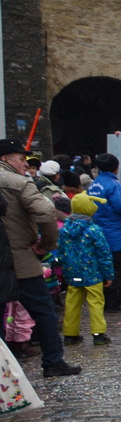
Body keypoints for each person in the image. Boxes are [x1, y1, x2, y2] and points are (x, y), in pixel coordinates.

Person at [0, 138, 78, 377]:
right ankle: (53, 361)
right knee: (43, 311)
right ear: (5, 159)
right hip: (19, 259)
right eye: (21, 159)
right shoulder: (18, 182)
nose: (25, 164)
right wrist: (46, 245)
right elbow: (45, 212)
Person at [56, 193, 114, 346]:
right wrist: (108, 274)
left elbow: (60, 251)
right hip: (92, 274)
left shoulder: (64, 229)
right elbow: (103, 253)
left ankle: (70, 333)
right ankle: (98, 333)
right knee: (95, 302)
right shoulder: (94, 229)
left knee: (72, 303)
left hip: (72, 273)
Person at [83, 155, 121, 313]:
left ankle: (102, 298)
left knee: (102, 266)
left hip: (98, 230)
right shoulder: (115, 185)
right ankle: (114, 301)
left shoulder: (94, 184)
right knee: (116, 267)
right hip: (115, 232)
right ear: (116, 167)